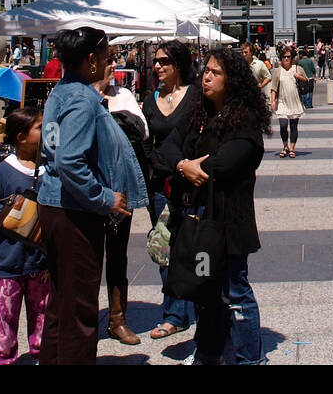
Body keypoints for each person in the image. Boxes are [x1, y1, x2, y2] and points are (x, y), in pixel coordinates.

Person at [37, 27, 147, 365]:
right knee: (80, 309)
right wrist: (103, 198)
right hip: (74, 211)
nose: (108, 60)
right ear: (90, 60)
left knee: (60, 301)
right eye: (105, 55)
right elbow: (69, 160)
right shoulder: (82, 98)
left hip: (54, 204)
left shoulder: (61, 91)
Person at [171, 47, 270, 365]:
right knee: (205, 288)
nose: (207, 76)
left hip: (228, 223)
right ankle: (209, 350)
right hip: (199, 223)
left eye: (215, 72)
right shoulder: (198, 113)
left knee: (233, 290)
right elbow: (166, 147)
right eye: (206, 70)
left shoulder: (245, 121)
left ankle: (248, 358)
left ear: (232, 80)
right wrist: (183, 165)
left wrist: (189, 167)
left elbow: (224, 165)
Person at [0, 107, 51, 364]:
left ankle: (43, 356)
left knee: (43, 315)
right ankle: (1, 359)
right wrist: (11, 212)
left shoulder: (49, 170)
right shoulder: (2, 172)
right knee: (4, 319)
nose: (45, 132)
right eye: (39, 128)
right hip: (8, 262)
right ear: (21, 137)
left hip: (41, 263)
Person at [142, 40, 198, 340]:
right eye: (156, 61)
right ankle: (174, 313)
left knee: (192, 246)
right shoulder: (150, 101)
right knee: (164, 248)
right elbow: (145, 142)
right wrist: (159, 165)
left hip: (191, 183)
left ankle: (199, 307)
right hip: (160, 184)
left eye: (164, 61)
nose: (158, 66)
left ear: (179, 64)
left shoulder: (196, 97)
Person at [99, 53, 147, 346]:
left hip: (118, 190)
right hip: (86, 192)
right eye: (108, 61)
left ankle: (118, 318)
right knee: (86, 257)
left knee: (117, 254)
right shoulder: (77, 94)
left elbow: (141, 131)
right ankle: (83, 318)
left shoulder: (124, 94)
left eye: (114, 60)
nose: (113, 66)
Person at [270, 46, 307, 158]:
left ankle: (292, 148)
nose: (286, 59)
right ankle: (285, 146)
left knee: (293, 126)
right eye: (284, 57)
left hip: (295, 101)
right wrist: (272, 101)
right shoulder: (278, 71)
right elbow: (274, 87)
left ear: (292, 58)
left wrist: (299, 77)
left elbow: (307, 81)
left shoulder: (297, 69)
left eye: (288, 57)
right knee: (283, 125)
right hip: (282, 102)